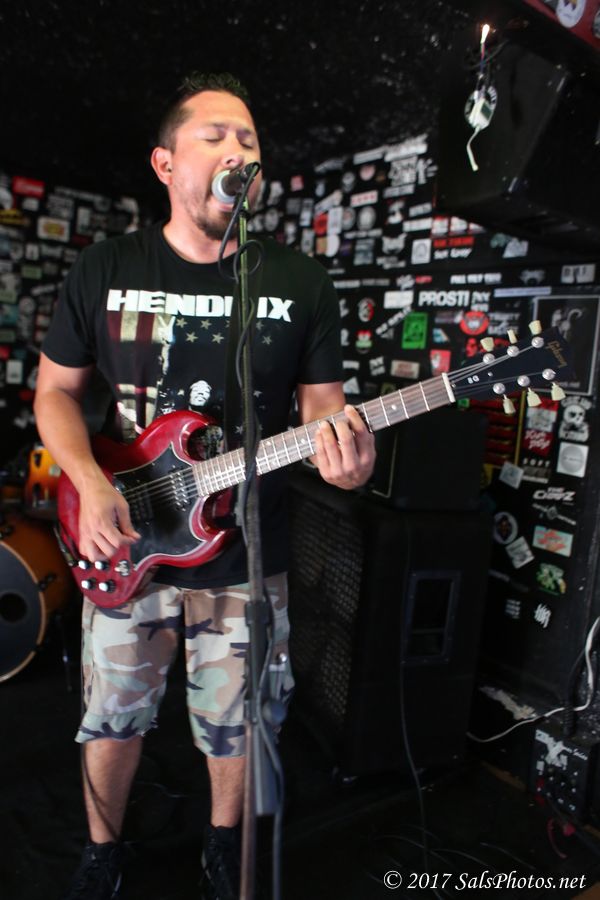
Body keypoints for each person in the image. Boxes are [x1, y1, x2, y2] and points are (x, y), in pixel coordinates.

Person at [34, 72, 375, 900]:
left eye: (249, 140)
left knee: (238, 724)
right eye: (216, 136)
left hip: (246, 553)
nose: (237, 151)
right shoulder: (106, 268)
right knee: (114, 715)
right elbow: (55, 394)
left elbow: (323, 415)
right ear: (166, 163)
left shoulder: (299, 282)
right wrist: (89, 480)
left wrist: (347, 457)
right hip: (125, 533)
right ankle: (103, 853)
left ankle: (225, 848)